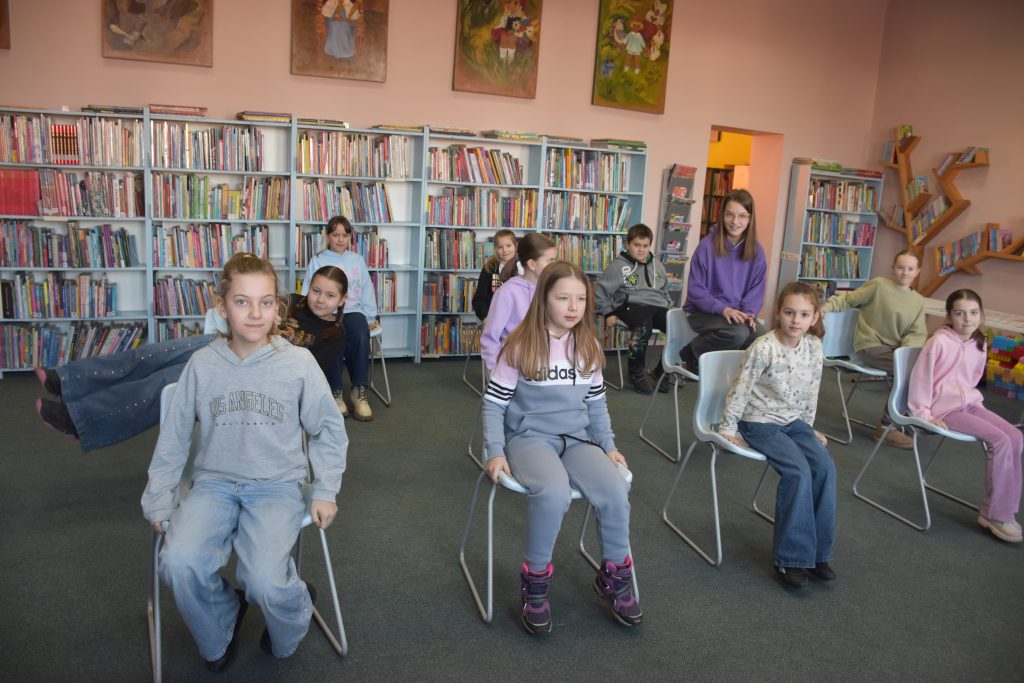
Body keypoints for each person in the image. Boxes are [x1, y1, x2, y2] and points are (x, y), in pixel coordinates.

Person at [141, 253, 348, 672]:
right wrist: (159, 495)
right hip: (213, 484)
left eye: (266, 302)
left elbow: (328, 428)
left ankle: (295, 605)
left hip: (276, 485)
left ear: (278, 308)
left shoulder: (298, 363)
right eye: (242, 302)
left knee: (264, 582)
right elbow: (174, 436)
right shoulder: (202, 364)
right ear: (222, 307)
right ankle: (221, 618)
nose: (255, 314)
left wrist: (326, 488)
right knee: (178, 563)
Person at [482, 261, 642, 634]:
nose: (573, 307)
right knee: (553, 493)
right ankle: (535, 582)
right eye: (563, 298)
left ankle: (615, 575)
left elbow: (596, 404)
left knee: (616, 489)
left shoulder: (588, 345)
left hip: (577, 437)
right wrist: (494, 449)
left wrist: (608, 446)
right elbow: (494, 404)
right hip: (530, 437)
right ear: (544, 300)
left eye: (581, 299)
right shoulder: (520, 345)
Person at [35, 264, 350, 452]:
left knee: (167, 382)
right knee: (155, 355)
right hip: (231, 342)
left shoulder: (333, 335)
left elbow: (301, 369)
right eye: (315, 290)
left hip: (256, 373)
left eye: (329, 295)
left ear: (342, 299)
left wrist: (270, 332)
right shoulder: (292, 301)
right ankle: (69, 380)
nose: (319, 299)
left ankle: (81, 420)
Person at [719, 281, 836, 590]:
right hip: (759, 421)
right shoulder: (763, 347)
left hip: (793, 422)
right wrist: (728, 428)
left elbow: (812, 390)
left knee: (824, 467)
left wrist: (808, 428)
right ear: (778, 313)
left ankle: (818, 553)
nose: (796, 320)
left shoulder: (814, 347)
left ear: (814, 318)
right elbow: (740, 388)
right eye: (789, 312)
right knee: (798, 472)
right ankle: (791, 559)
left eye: (804, 314)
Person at [908, 289, 1023, 543]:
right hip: (943, 409)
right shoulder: (938, 342)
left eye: (973, 313)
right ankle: (995, 515)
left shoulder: (979, 344)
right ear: (949, 316)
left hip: (970, 405)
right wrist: (923, 414)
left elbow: (971, 381)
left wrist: (974, 404)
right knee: (1000, 441)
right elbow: (921, 380)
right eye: (960, 313)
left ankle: (1005, 508)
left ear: (981, 315)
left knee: (1015, 436)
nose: (968, 319)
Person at [824, 249, 927, 448]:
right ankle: (887, 428)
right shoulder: (879, 286)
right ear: (893, 269)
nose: (905, 272)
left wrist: (906, 353)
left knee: (917, 369)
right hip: (870, 346)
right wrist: (827, 306)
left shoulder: (918, 301)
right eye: (900, 267)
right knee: (910, 373)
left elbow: (916, 334)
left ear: (917, 272)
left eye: (910, 269)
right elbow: (848, 299)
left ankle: (906, 416)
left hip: (894, 351)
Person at [680, 188, 767, 373]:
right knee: (737, 333)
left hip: (737, 314)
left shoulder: (757, 251)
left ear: (750, 218)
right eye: (730, 215)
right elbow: (696, 290)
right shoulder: (706, 246)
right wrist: (723, 309)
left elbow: (756, 290)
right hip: (703, 311)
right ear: (722, 215)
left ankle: (722, 372)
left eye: (742, 216)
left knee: (761, 338)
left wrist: (749, 314)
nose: (735, 221)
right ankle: (692, 352)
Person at [302, 215, 379, 422]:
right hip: (326, 312)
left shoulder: (357, 260)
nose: (340, 239)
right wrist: (309, 316)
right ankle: (335, 391)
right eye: (335, 235)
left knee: (360, 333)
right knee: (334, 335)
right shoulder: (318, 260)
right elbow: (307, 290)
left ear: (350, 237)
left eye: (345, 235)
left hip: (353, 310)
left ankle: (358, 390)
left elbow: (366, 289)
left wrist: (370, 315)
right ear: (327, 236)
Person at [595, 223, 672, 394]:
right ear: (627, 244)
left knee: (679, 330)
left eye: (645, 246)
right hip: (629, 305)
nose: (641, 250)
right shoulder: (618, 266)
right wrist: (608, 312)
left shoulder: (658, 265)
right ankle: (636, 374)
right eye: (637, 245)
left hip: (657, 306)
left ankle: (662, 371)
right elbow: (600, 291)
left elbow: (665, 290)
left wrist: (668, 305)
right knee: (643, 330)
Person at [479, 232, 556, 370]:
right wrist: (496, 370)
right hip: (514, 366)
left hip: (547, 365)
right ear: (532, 264)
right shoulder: (507, 292)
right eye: (550, 261)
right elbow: (490, 337)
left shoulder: (552, 289)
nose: (555, 265)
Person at [471, 229, 518, 322]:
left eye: (508, 246)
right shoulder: (489, 269)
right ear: (495, 249)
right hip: (494, 319)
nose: (505, 250)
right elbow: (479, 300)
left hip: (517, 321)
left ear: (515, 246)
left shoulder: (523, 268)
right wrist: (486, 318)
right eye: (500, 247)